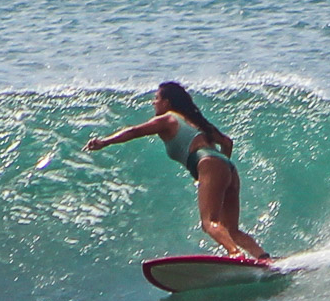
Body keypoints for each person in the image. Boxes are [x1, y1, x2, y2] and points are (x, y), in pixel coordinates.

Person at [85, 81, 270, 262]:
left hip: (208, 164)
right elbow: (227, 143)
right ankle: (263, 258)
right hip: (228, 168)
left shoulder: (168, 119)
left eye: (156, 98)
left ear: (167, 102)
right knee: (232, 229)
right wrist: (221, 169)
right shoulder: (197, 122)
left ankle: (235, 254)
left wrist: (105, 142)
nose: (153, 102)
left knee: (209, 223)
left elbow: (134, 131)